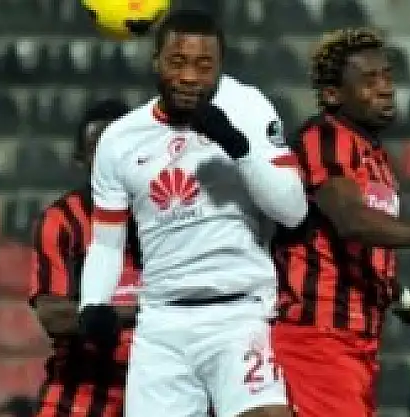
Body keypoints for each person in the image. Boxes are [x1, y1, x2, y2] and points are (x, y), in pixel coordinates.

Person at [78, 9, 306, 417]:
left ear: (220, 66)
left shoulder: (247, 107)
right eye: (177, 62)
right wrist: (93, 303)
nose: (189, 77)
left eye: (204, 66)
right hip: (161, 324)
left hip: (239, 313)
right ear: (156, 62)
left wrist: (238, 148)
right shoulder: (119, 140)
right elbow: (107, 243)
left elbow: (293, 211)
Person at [269, 28, 410, 417]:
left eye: (387, 76)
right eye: (369, 80)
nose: (385, 88)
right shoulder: (325, 138)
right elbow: (352, 222)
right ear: (333, 95)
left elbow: (354, 252)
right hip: (318, 339)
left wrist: (404, 299)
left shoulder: (374, 157)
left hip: (356, 344)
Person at [29, 100, 141, 417]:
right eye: (97, 148)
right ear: (81, 159)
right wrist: (140, 312)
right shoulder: (61, 220)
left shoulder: (175, 214)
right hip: (81, 389)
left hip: (164, 385)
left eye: (120, 146)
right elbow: (54, 316)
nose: (110, 158)